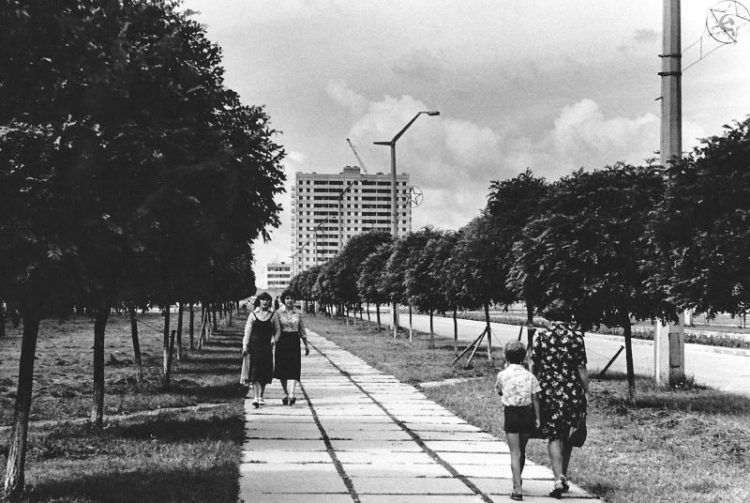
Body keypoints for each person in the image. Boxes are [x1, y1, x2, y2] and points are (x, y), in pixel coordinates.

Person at [531, 316, 590, 499]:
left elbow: (535, 365)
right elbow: (581, 368)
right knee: (568, 433)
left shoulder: (542, 337)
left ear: (550, 318)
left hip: (549, 391)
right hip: (571, 391)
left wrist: (533, 385)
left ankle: (557, 478)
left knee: (553, 435)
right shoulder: (576, 338)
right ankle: (563, 475)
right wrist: (586, 391)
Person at [495, 341, 541, 501]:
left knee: (514, 452)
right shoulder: (530, 376)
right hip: (527, 414)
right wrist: (538, 418)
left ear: (506, 356)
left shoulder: (502, 375)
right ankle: (518, 477)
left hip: (512, 413)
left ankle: (517, 488)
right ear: (523, 357)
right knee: (522, 450)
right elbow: (536, 398)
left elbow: (500, 391)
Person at [272, 290, 310, 405]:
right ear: (284, 299)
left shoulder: (298, 313)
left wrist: (306, 344)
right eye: (287, 298)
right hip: (282, 340)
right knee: (282, 368)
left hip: (294, 340)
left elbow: (302, 329)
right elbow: (274, 329)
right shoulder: (278, 313)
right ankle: (285, 393)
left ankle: (292, 394)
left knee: (294, 367)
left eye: (292, 298)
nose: (290, 301)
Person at [241, 292, 275, 408]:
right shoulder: (253, 315)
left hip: (267, 347)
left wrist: (274, 338)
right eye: (262, 299)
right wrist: (245, 346)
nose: (265, 302)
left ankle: (261, 396)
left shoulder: (272, 315)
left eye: (267, 300)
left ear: (270, 301)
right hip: (254, 346)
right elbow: (247, 332)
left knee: (265, 371)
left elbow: (277, 330)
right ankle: (255, 396)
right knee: (255, 371)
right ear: (259, 301)